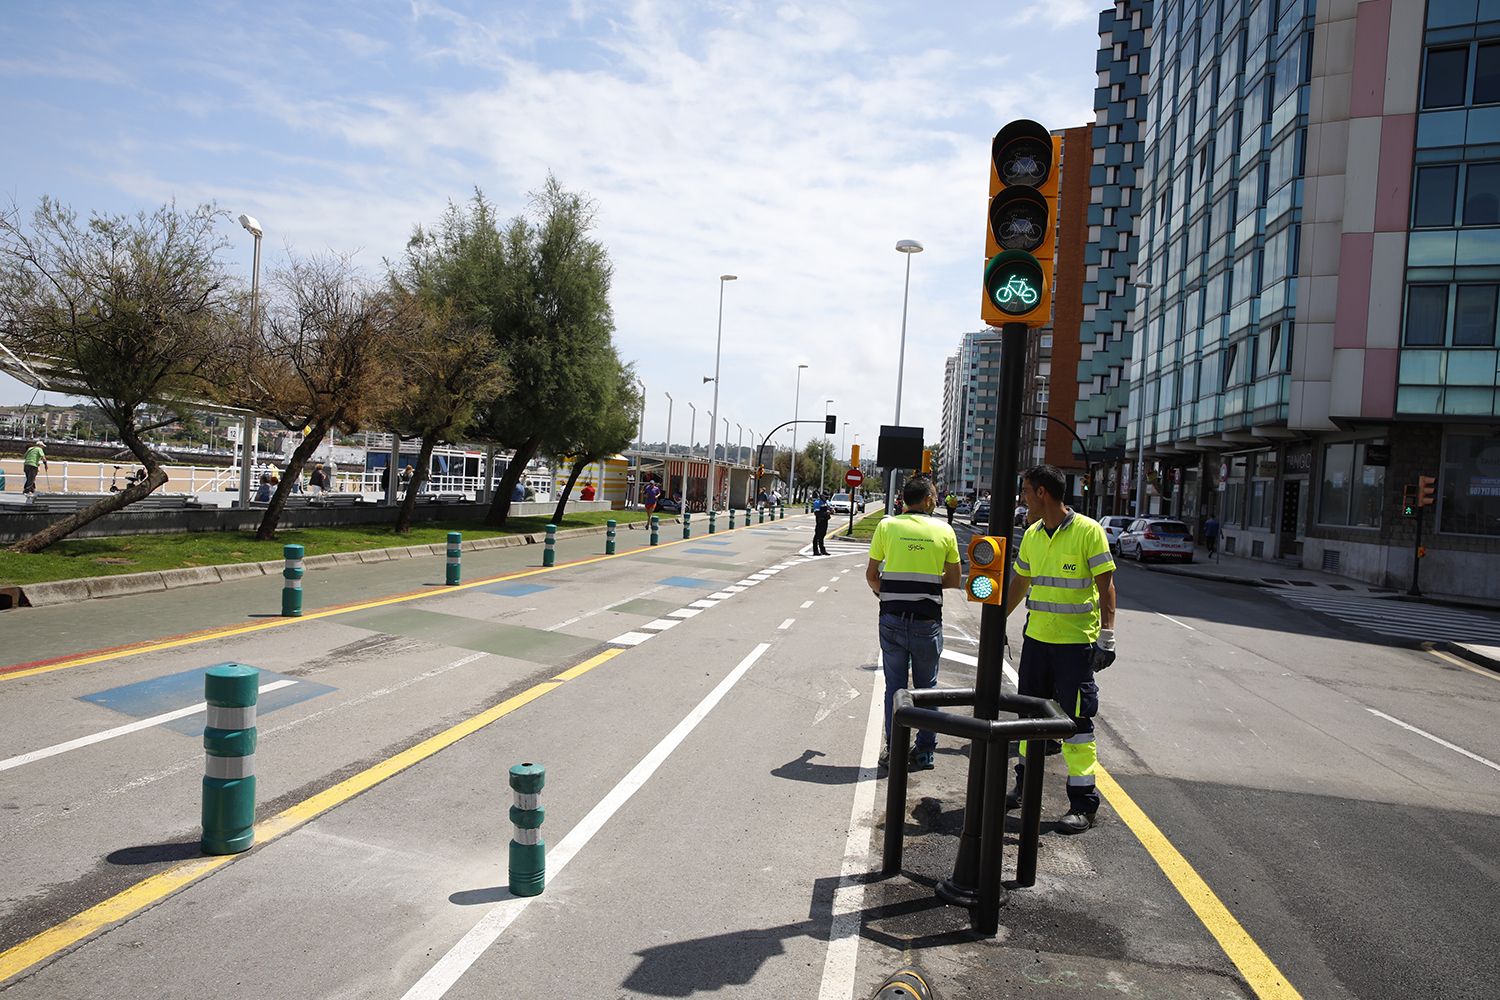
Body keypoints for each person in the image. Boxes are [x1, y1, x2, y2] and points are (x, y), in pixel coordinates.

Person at [1002, 464, 1117, 834]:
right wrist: (996, 620)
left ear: (1042, 493)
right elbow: (1021, 581)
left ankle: (1083, 804)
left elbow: (1106, 587)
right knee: (1028, 720)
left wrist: (1108, 637)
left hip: (1075, 645)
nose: (1022, 498)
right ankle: (1024, 785)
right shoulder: (1033, 534)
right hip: (1037, 642)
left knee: (1077, 725)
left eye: (1025, 490)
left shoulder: (1088, 531)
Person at [865, 476, 962, 773]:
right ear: (930, 500)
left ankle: (894, 749)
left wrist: (889, 593)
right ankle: (925, 752)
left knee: (895, 687)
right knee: (927, 687)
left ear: (905, 500)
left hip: (892, 619)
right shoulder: (944, 530)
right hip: (926, 621)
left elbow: (871, 575)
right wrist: (927, 585)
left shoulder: (887, 526)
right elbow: (955, 579)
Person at [811, 491, 833, 556]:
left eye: (827, 497)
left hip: (825, 521)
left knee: (822, 535)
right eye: (825, 497)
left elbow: (830, 507)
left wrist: (831, 510)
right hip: (820, 521)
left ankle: (822, 550)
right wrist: (826, 513)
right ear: (822, 496)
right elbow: (817, 513)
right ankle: (815, 551)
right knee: (817, 536)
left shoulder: (827, 502)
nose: (826, 498)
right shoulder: (817, 502)